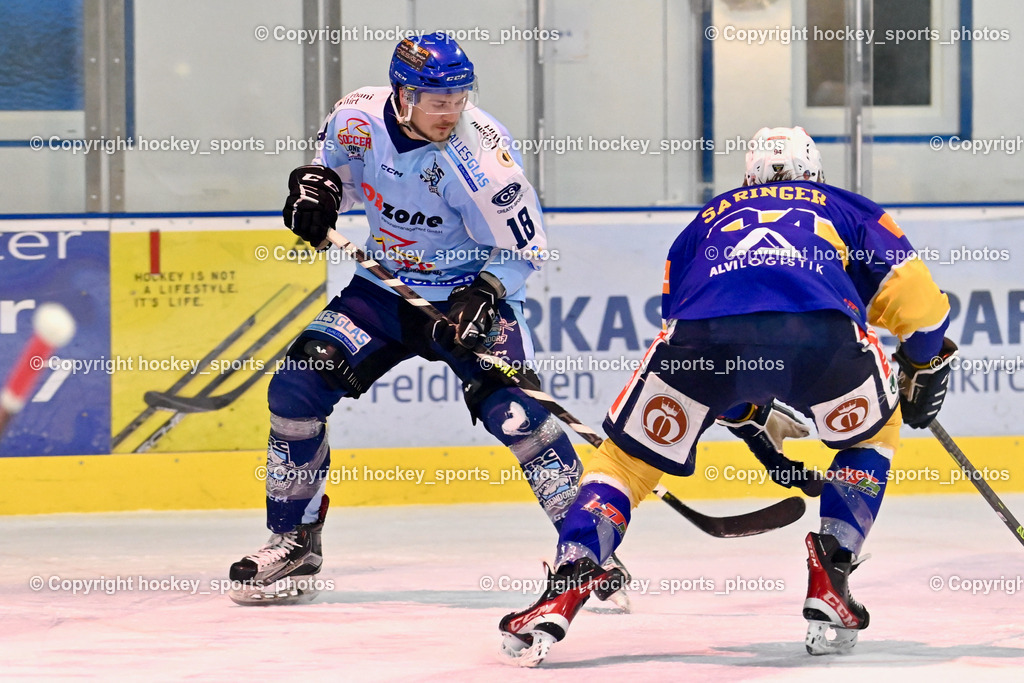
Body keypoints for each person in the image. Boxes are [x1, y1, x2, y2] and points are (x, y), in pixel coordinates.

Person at [498, 126, 957, 665]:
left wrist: (745, 409)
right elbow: (922, 307)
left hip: (699, 342)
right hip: (821, 342)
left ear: (748, 178)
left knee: (623, 464)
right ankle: (832, 570)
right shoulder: (847, 208)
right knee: (869, 435)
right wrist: (923, 364)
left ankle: (568, 580)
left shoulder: (706, 220)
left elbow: (697, 333)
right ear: (817, 175)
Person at [227, 32, 615, 606]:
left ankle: (589, 554)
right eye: (437, 100)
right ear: (401, 95)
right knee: (297, 384)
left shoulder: (483, 156)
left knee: (516, 415)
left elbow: (525, 248)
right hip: (384, 289)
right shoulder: (356, 116)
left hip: (472, 293)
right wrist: (314, 193)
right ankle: (295, 539)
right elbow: (327, 166)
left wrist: (485, 290)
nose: (450, 111)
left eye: (459, 98)